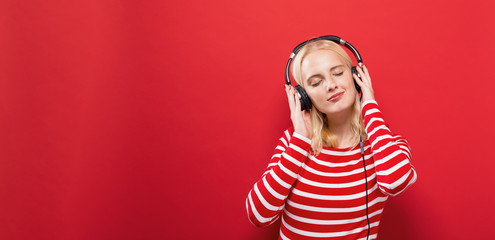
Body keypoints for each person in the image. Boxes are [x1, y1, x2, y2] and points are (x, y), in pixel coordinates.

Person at [245, 38, 417, 240]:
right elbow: (258, 215)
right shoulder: (293, 142)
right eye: (316, 82)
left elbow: (395, 181)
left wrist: (369, 104)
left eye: (338, 73)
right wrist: (300, 140)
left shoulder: (386, 144)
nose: (331, 85)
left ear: (356, 76)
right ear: (303, 96)